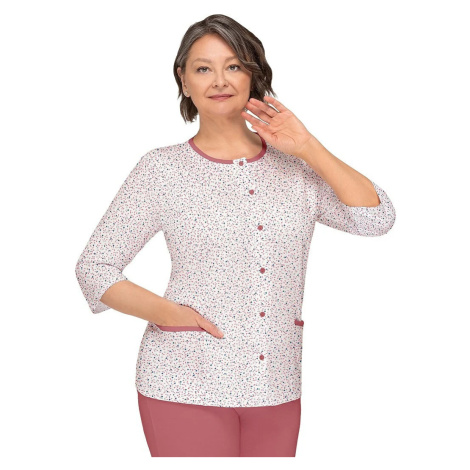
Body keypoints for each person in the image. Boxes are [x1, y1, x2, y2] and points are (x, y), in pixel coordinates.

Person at [75, 14, 396, 457]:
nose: (220, 80)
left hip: (276, 383)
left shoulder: (295, 171)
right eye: (203, 68)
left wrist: (308, 146)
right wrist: (171, 314)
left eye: (234, 66)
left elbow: (376, 219)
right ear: (184, 80)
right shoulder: (161, 170)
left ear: (253, 76)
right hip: (183, 380)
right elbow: (94, 267)